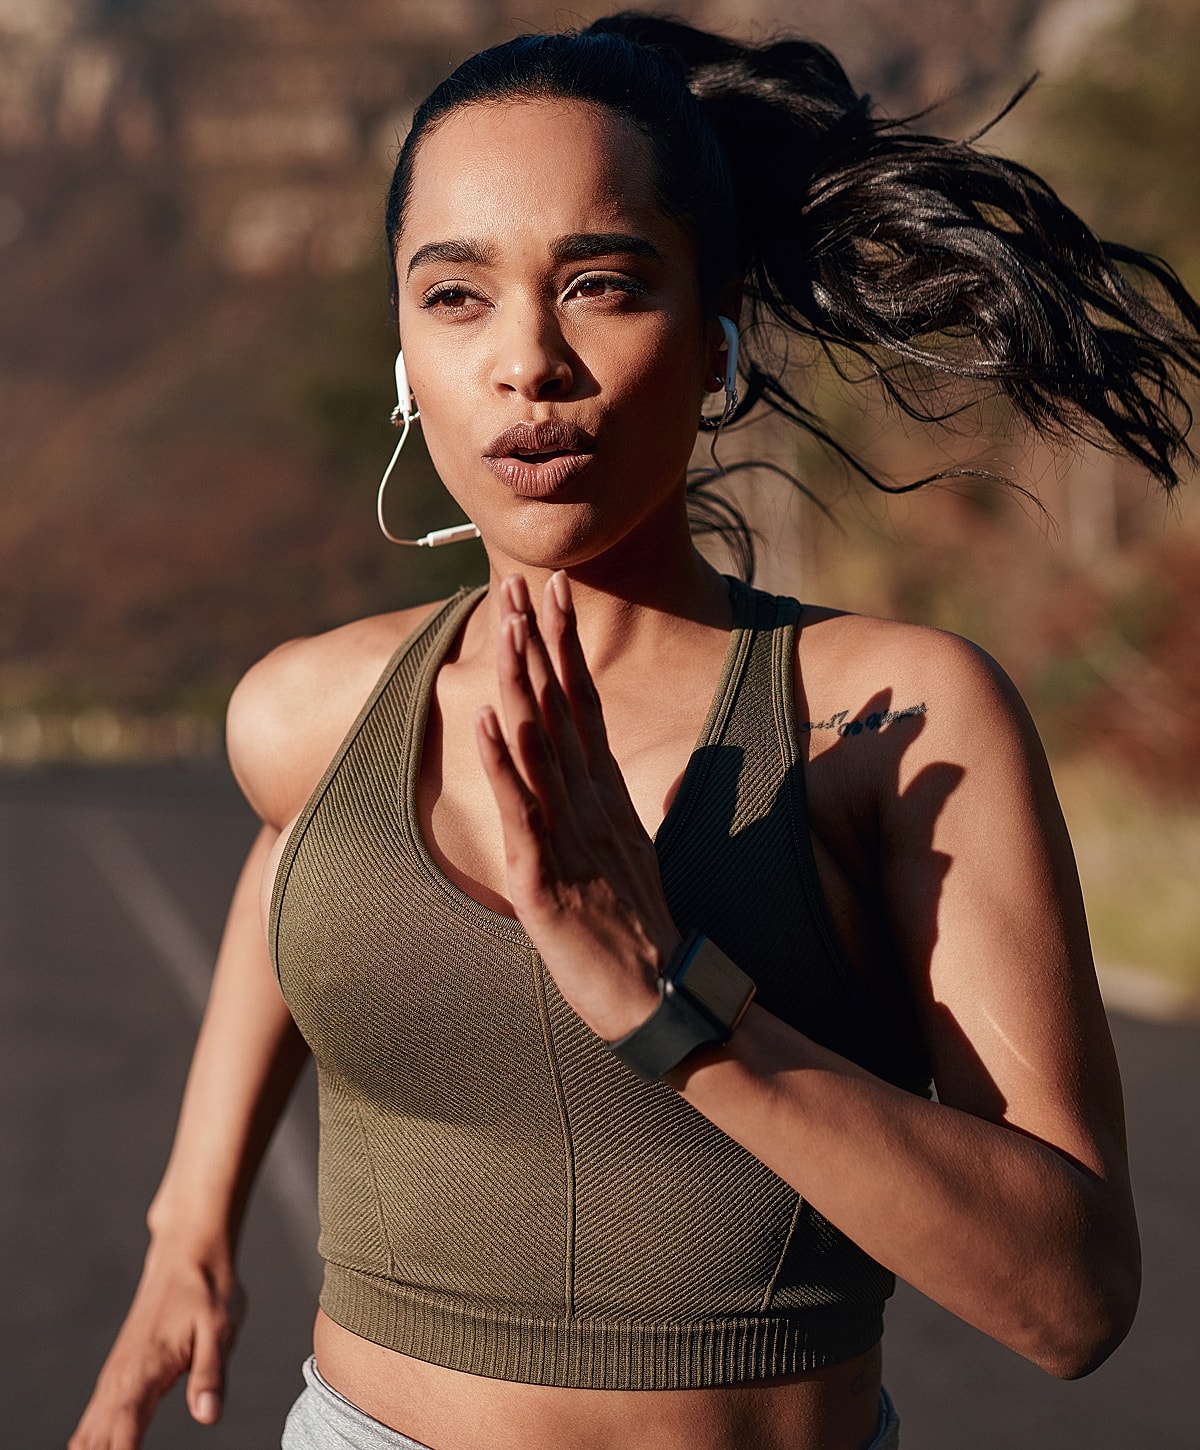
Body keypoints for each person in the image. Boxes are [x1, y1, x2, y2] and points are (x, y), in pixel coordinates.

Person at [70, 14, 1200, 1450]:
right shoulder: (315, 708)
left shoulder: (890, 722)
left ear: (716, 328)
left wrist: (667, 993)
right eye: (457, 296)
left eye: (600, 285)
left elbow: (1075, 1296)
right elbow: (301, 863)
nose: (529, 362)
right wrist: (193, 1217)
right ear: (406, 353)